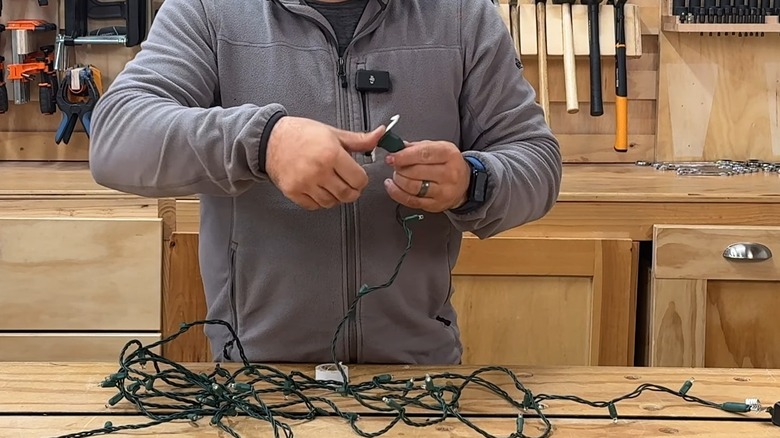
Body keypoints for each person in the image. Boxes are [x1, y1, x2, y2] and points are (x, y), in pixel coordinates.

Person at [88, 0, 562, 365]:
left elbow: (537, 159)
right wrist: (263, 142)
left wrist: (473, 181)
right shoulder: (208, 10)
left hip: (419, 374)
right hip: (256, 378)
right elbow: (117, 136)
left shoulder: (462, 15)